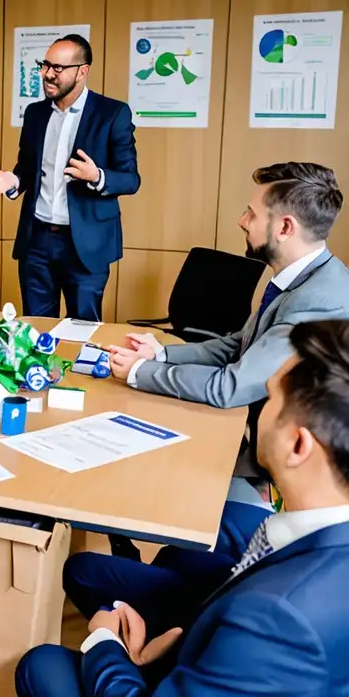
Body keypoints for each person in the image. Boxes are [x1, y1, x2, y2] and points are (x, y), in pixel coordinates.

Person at [63, 162, 349, 626]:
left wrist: (140, 373)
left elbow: (230, 385)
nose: (242, 221)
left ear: (285, 226)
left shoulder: (318, 297)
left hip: (261, 466)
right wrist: (165, 354)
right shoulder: (301, 278)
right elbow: (238, 344)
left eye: (251, 213)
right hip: (248, 443)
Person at [15, 318, 349, 696]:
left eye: (270, 400)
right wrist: (179, 639)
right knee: (84, 570)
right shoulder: (316, 531)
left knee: (41, 665)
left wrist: (105, 644)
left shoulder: (278, 619)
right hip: (218, 632)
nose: (259, 410)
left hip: (241, 648)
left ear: (298, 445)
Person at [0, 34, 139, 322]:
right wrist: (15, 181)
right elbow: (27, 170)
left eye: (58, 68)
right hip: (37, 241)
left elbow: (130, 179)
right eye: (45, 65)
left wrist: (97, 176)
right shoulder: (35, 114)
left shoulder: (113, 113)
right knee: (37, 327)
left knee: (82, 328)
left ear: (82, 71)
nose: (48, 74)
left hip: (86, 244)